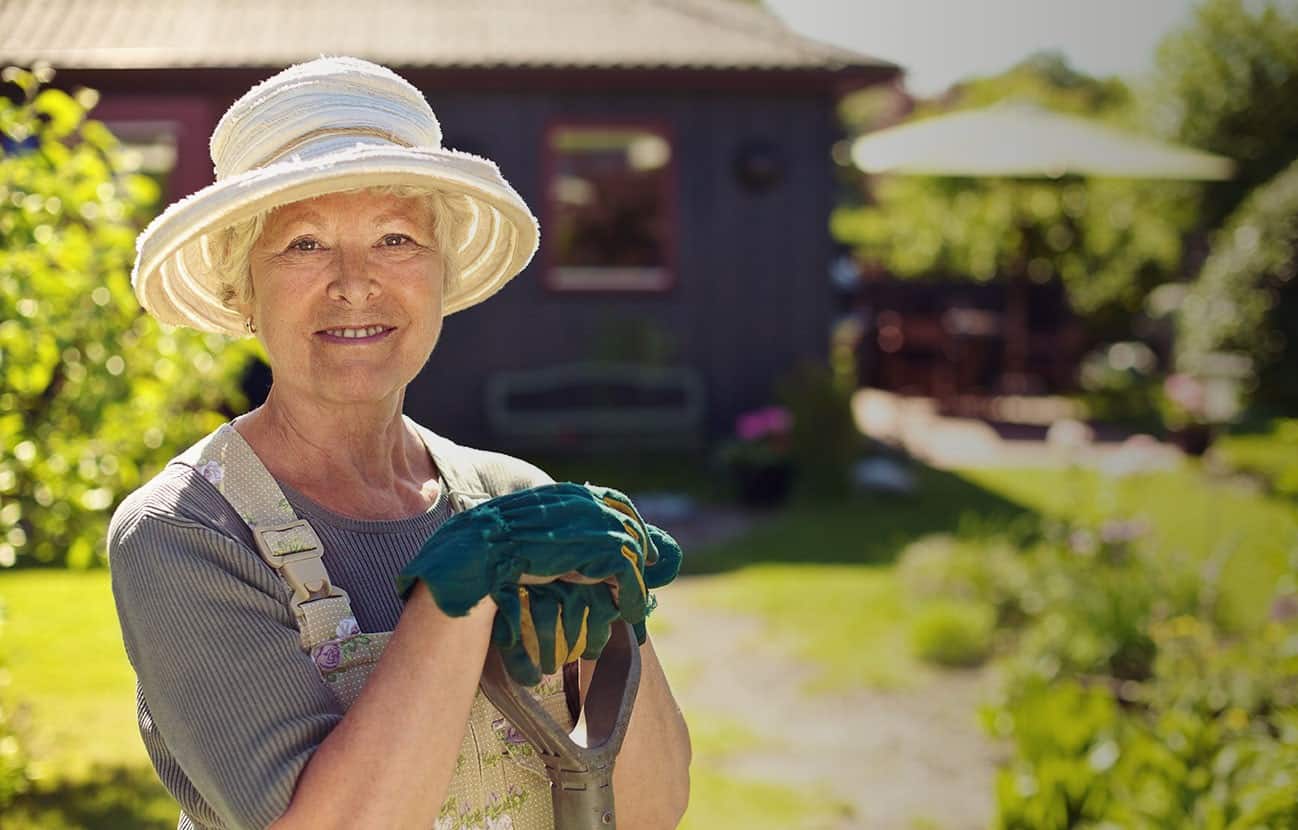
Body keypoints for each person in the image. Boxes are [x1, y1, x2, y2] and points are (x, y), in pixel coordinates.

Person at [108, 56, 691, 830]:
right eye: (304, 245)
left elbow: (650, 813)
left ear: (441, 278)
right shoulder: (186, 534)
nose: (355, 283)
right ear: (241, 292)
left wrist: (617, 631)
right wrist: (457, 599)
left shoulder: (517, 497)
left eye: (395, 239)